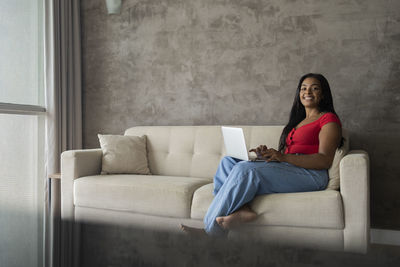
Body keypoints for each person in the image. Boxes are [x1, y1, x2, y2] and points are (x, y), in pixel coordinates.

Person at [181, 73, 343, 237]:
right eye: (303, 88)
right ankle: (243, 209)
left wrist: (283, 157)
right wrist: (267, 155)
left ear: (322, 94)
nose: (308, 92)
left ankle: (210, 232)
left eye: (314, 88)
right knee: (228, 162)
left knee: (246, 170)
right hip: (292, 167)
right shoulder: (298, 121)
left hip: (312, 175)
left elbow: (324, 159)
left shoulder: (328, 119)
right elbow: (290, 154)